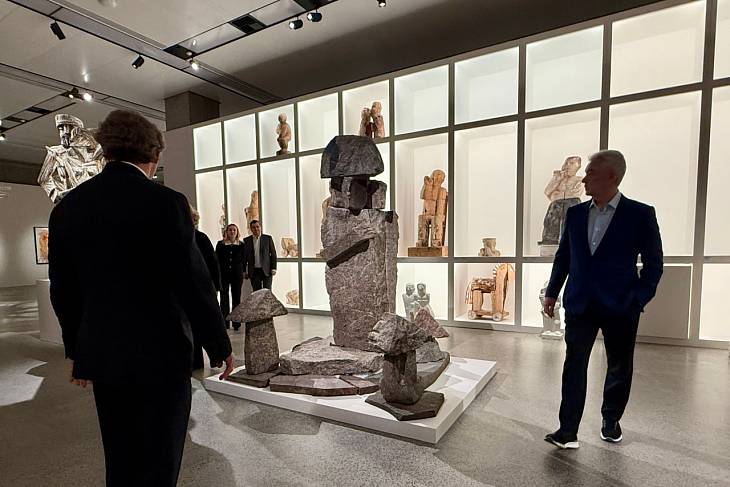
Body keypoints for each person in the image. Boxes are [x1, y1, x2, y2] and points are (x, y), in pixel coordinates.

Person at [48, 109, 234, 487]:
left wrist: (77, 351)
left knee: (120, 455)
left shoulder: (68, 208)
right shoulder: (166, 203)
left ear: (106, 149)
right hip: (161, 353)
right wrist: (218, 344)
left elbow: (63, 289)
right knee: (160, 458)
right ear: (153, 154)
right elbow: (193, 282)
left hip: (106, 355)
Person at [542, 149, 663, 450]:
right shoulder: (575, 214)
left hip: (621, 305)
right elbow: (564, 257)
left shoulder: (640, 214)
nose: (584, 178)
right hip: (580, 303)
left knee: (619, 366)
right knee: (574, 365)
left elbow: (654, 264)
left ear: (612, 176)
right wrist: (552, 292)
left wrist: (638, 298)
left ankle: (611, 420)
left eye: (591, 173)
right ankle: (567, 430)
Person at [191, 205, 221, 369]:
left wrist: (215, 287)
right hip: (190, 290)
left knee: (205, 323)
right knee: (195, 326)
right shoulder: (179, 238)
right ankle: (197, 361)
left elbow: (212, 263)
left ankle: (216, 355)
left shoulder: (200, 238)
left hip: (202, 288)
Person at [216, 223, 245, 331]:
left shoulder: (241, 245)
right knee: (224, 298)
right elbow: (216, 259)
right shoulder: (220, 244)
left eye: (234, 230)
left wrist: (243, 271)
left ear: (237, 232)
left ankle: (236, 323)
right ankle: (225, 323)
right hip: (223, 274)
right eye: (230, 230)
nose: (232, 232)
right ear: (226, 232)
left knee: (236, 297)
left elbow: (244, 260)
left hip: (237, 275)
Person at [242, 220, 277, 291]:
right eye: (253, 227)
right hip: (254, 271)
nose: (256, 229)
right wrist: (244, 271)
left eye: (257, 227)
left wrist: (274, 268)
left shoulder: (267, 238)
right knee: (256, 292)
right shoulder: (247, 240)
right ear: (251, 229)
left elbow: (273, 254)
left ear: (260, 227)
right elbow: (244, 257)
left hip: (267, 270)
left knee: (267, 292)